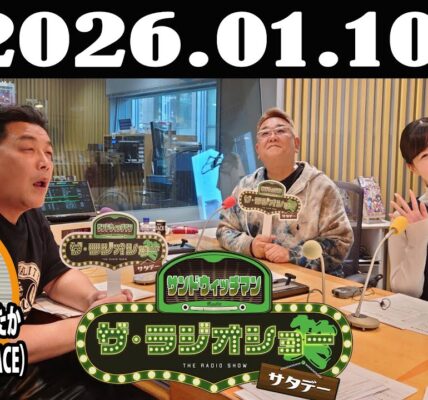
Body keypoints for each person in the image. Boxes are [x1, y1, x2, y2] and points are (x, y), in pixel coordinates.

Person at [0, 105, 152, 399]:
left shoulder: (31, 217)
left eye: (49, 153)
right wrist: (90, 323)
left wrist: (93, 299)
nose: (45, 163)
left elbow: (56, 274)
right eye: (28, 149)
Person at [216, 107, 353, 277]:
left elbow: (341, 242)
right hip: (258, 278)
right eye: (265, 133)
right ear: (258, 150)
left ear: (296, 144)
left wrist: (293, 255)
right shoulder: (246, 187)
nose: (272, 137)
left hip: (309, 282)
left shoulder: (321, 188)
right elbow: (224, 229)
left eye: (280, 131)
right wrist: (250, 246)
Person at [389, 117, 428, 301]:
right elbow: (406, 292)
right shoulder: (404, 217)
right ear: (412, 167)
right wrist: (418, 237)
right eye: (425, 156)